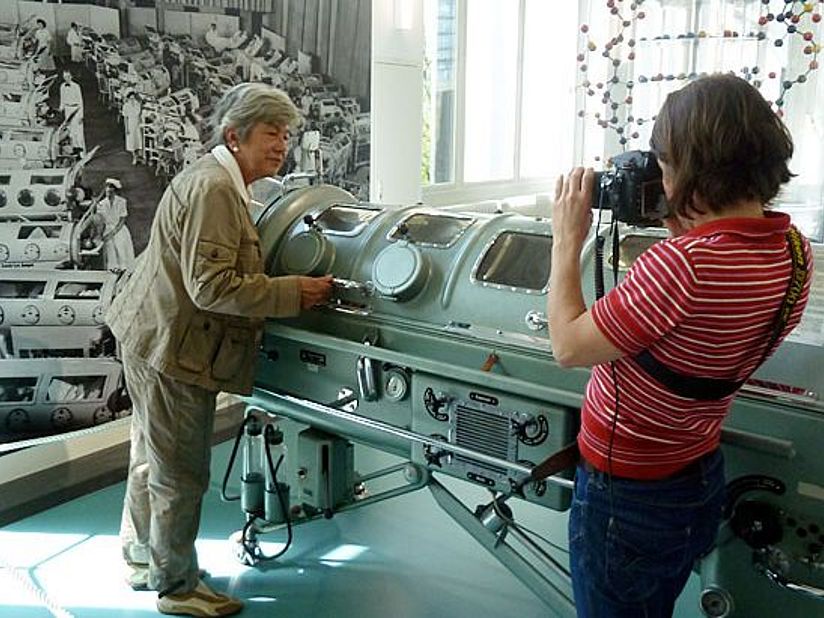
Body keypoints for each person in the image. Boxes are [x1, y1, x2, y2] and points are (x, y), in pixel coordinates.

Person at [548, 73, 814, 618]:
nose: (660, 175)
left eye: (666, 162)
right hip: (696, 475)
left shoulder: (680, 267)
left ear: (693, 166)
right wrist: (685, 216)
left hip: (627, 495)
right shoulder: (793, 251)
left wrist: (565, 240)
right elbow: (700, 316)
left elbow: (568, 346)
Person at [105, 82, 333, 617]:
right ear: (235, 136)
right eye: (271, 134)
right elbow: (210, 287)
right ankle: (177, 587)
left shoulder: (215, 180)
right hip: (174, 349)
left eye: (286, 135)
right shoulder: (214, 190)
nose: (282, 146)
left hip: (150, 334)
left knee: (150, 458)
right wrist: (293, 292)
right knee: (180, 472)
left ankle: (144, 557)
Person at [95, 178, 135, 271]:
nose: (108, 192)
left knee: (121, 248)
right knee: (111, 251)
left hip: (120, 229)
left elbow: (122, 220)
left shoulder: (122, 201)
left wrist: (113, 233)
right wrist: (100, 234)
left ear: (115, 191)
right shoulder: (101, 204)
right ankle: (113, 269)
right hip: (107, 230)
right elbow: (100, 221)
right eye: (107, 189)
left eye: (111, 190)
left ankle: (125, 270)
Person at [59, 70, 85, 153]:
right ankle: (73, 150)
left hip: (76, 110)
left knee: (78, 132)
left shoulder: (76, 86)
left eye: (68, 76)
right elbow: (62, 99)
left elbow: (80, 101)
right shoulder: (62, 86)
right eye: (65, 77)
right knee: (70, 131)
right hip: (67, 110)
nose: (66, 78)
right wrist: (60, 109)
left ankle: (81, 152)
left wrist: (81, 115)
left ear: (71, 76)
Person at [122, 91, 142, 164]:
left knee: (139, 140)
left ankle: (139, 156)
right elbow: (125, 118)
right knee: (132, 142)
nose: (132, 100)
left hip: (138, 124)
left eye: (133, 99)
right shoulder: (126, 106)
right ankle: (134, 156)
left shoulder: (137, 104)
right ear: (128, 99)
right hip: (130, 124)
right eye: (131, 99)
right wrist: (126, 128)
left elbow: (139, 115)